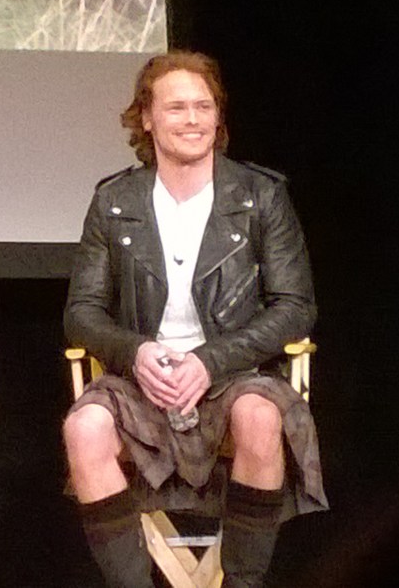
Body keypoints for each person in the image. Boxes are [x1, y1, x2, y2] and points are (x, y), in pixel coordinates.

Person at [63, 51, 329, 587]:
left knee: (260, 419)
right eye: (176, 107)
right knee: (83, 429)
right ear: (146, 118)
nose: (192, 119)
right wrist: (136, 352)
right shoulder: (115, 201)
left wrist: (209, 362)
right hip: (142, 380)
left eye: (203, 107)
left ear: (218, 115)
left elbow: (295, 306)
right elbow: (81, 312)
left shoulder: (260, 195)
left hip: (234, 374)